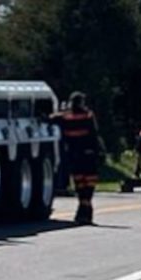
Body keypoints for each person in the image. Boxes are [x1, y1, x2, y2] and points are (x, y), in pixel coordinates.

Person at [51, 92, 103, 224]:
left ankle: (82, 213)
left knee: (80, 186)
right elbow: (95, 136)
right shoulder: (88, 116)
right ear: (81, 103)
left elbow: (52, 118)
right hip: (89, 156)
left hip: (74, 157)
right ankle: (85, 213)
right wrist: (101, 153)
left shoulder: (65, 117)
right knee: (88, 186)